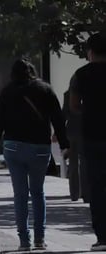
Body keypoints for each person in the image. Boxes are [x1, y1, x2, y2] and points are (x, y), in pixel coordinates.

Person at [0, 59, 69, 251]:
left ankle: (24, 241)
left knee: (20, 194)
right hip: (40, 148)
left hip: (14, 148)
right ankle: (40, 238)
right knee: (38, 192)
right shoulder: (45, 89)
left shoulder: (7, 91)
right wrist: (64, 144)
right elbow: (57, 117)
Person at [69, 32, 106, 251]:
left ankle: (102, 238)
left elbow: (74, 106)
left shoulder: (81, 75)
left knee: (97, 188)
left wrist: (90, 111)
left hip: (92, 138)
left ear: (90, 52)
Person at [62, 88, 90, 202]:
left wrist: (59, 131)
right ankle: (86, 193)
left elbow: (64, 112)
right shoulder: (93, 91)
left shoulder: (68, 94)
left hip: (72, 131)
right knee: (85, 163)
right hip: (87, 131)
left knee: (73, 163)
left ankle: (74, 193)